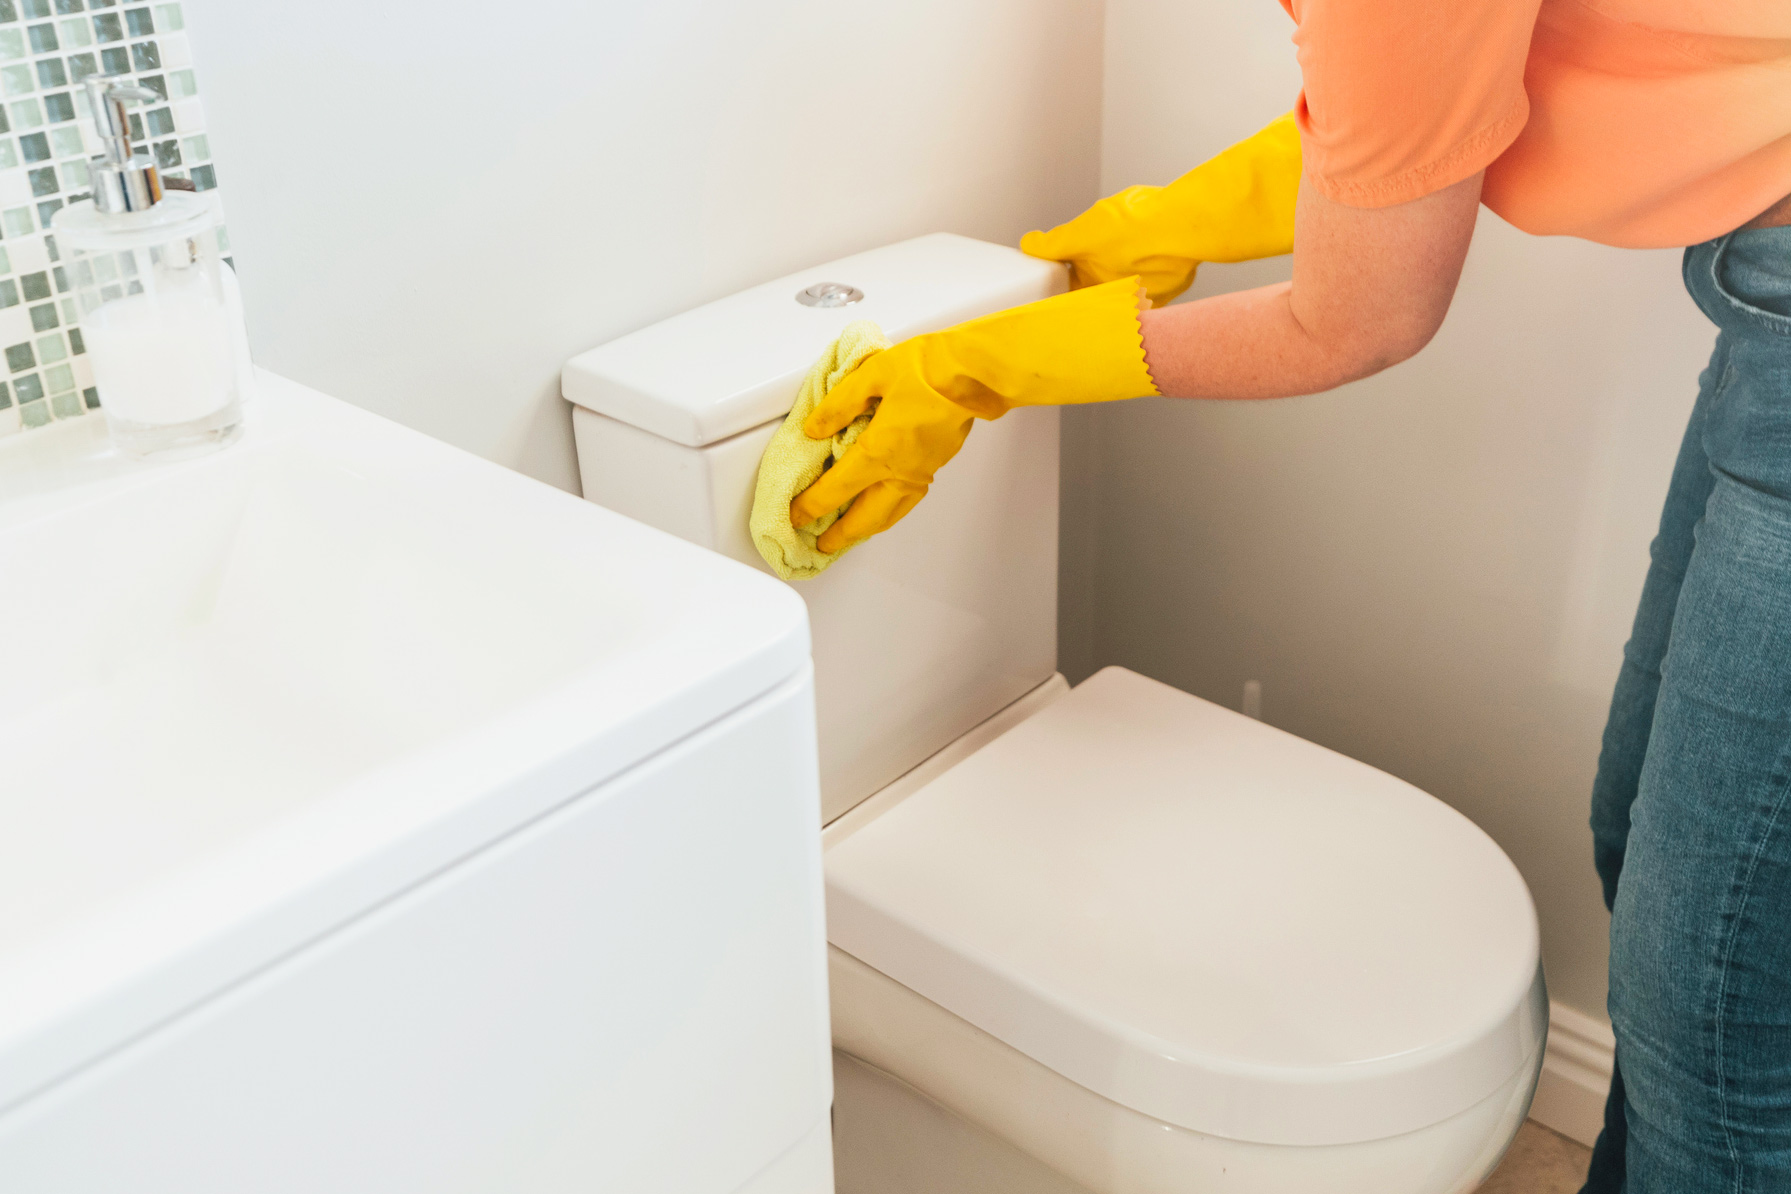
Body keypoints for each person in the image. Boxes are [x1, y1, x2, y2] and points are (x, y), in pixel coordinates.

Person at [789, 1, 1791, 1189]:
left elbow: (1359, 317)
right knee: (1654, 859)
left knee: (1708, 1008)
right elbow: (1440, 108)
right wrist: (1174, 222)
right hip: (1764, 294)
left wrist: (989, 366)